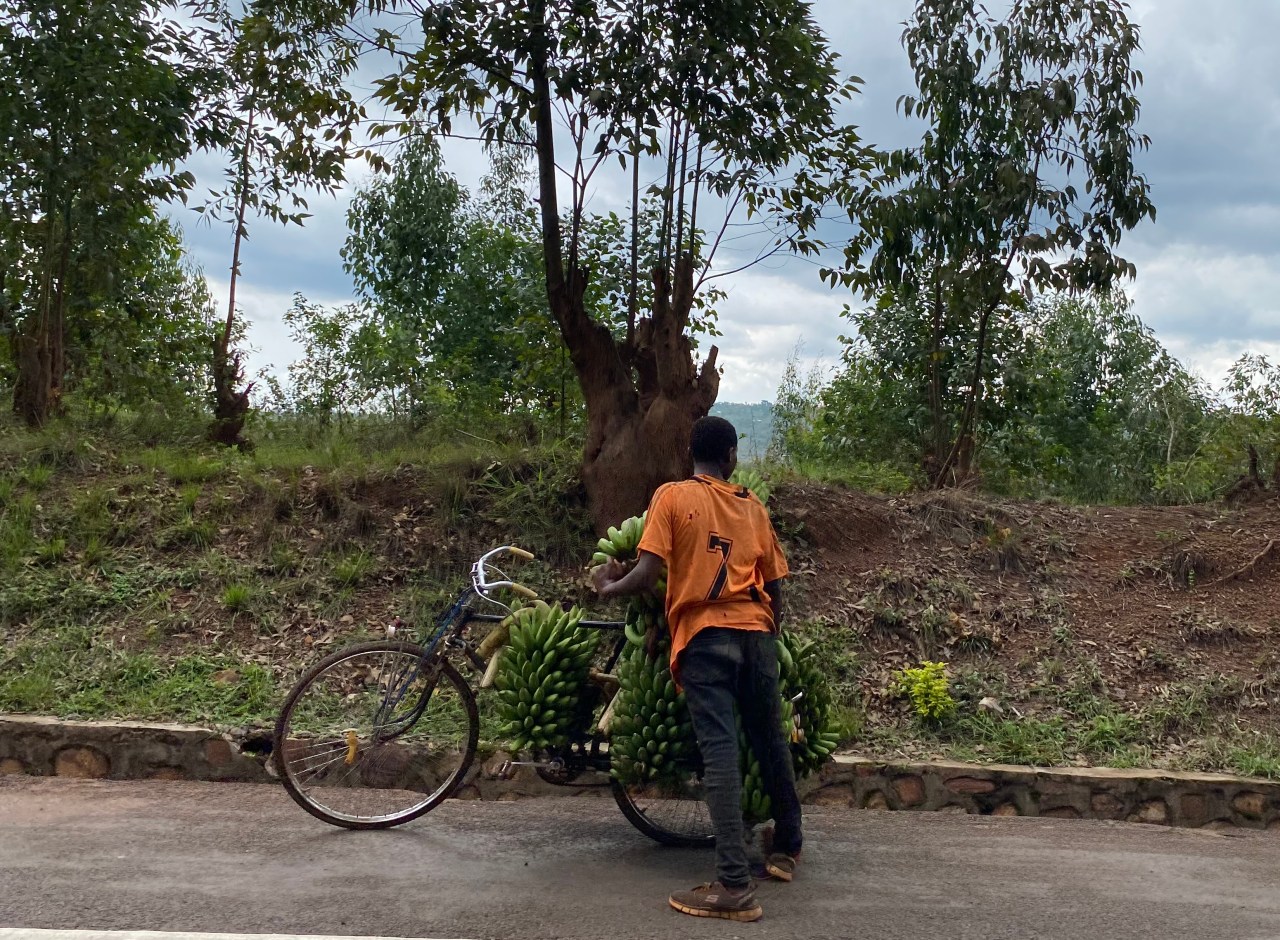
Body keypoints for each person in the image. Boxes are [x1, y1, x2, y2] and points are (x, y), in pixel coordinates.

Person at [592, 415, 803, 923]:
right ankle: (788, 847)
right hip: (756, 634)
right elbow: (775, 584)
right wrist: (767, 634)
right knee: (769, 738)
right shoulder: (752, 506)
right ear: (731, 457)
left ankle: (733, 886)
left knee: (721, 753)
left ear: (693, 455)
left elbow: (646, 574)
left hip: (706, 638)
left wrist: (607, 586)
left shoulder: (672, 496)